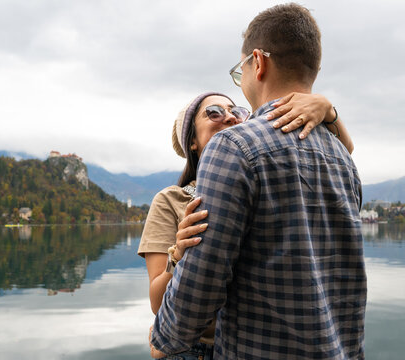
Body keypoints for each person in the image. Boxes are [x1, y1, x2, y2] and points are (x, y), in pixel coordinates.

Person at [150, 3, 367, 360]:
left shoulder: (234, 148)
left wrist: (165, 339)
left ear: (258, 62)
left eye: (241, 71)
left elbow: (201, 284)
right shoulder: (344, 160)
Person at [141, 91, 354, 358]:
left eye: (237, 111)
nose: (229, 116)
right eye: (214, 112)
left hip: (256, 345)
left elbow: (343, 156)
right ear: (192, 141)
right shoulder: (170, 200)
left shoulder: (260, 182)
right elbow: (156, 303)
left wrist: (327, 110)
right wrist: (178, 253)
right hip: (197, 348)